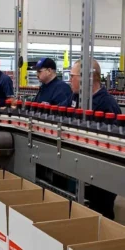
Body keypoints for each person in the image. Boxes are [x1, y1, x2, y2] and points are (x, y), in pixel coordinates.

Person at [62, 59, 121, 220]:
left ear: (86, 78)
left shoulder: (106, 104)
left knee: (100, 213)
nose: (69, 80)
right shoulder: (75, 98)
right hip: (78, 165)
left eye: (72, 76)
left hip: (101, 173)